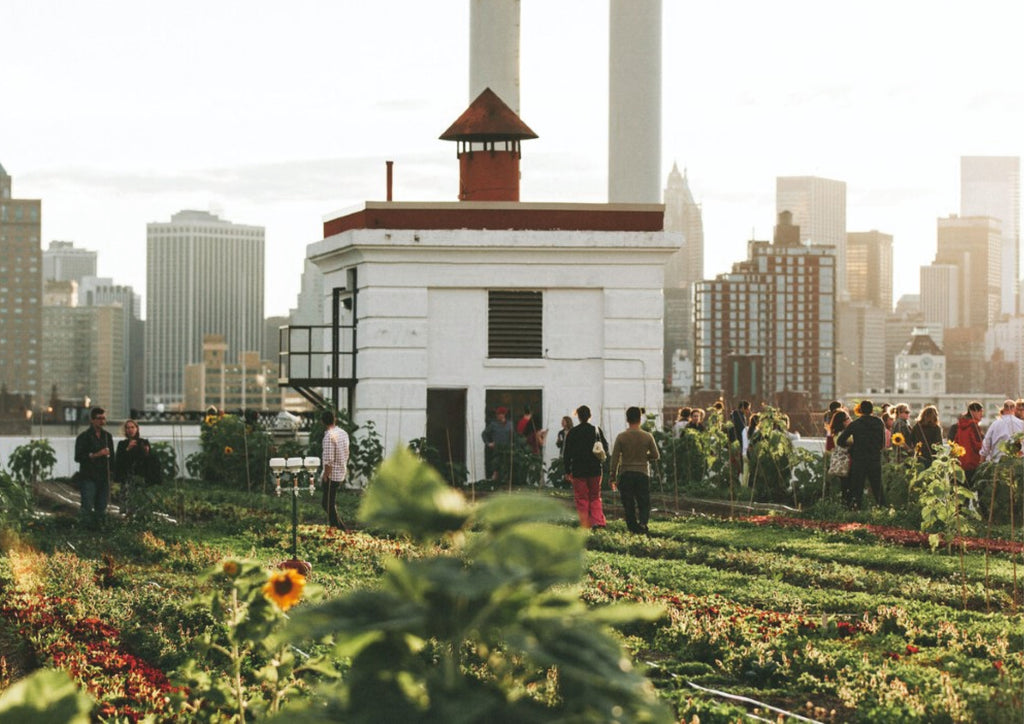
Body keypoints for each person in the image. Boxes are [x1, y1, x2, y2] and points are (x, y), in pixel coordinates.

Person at [609, 406, 660, 535]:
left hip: (626, 472)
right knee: (644, 500)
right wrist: (644, 457)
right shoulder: (647, 436)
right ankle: (643, 523)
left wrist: (612, 476)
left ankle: (632, 527)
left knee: (628, 502)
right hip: (642, 472)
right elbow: (656, 455)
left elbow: (614, 458)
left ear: (627, 419)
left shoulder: (621, 437)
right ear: (640, 418)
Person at [562, 405, 608, 529]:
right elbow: (606, 448)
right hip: (595, 469)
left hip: (578, 470)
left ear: (578, 416)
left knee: (581, 498)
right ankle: (598, 521)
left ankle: (585, 523)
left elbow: (566, 454)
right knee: (595, 496)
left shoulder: (572, 432)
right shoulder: (596, 430)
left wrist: (567, 470)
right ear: (590, 416)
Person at [836, 399, 886, 508]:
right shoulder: (879, 422)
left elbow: (840, 441)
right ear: (872, 410)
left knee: (857, 488)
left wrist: (851, 446)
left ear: (861, 410)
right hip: (874, 458)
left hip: (859, 459)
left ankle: (856, 509)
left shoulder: (855, 424)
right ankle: (882, 508)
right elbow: (883, 443)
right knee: (877, 487)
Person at [74, 406, 115, 527]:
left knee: (101, 507)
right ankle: (85, 531)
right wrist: (96, 455)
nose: (102, 421)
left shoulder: (107, 437)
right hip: (89, 477)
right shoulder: (84, 437)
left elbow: (112, 458)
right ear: (92, 420)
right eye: (99, 418)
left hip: (103, 477)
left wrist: (112, 475)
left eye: (104, 418)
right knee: (87, 506)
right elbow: (78, 457)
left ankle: (99, 531)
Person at [113, 419, 151, 517]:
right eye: (127, 428)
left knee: (140, 503)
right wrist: (127, 449)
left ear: (137, 429)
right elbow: (119, 462)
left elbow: (147, 461)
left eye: (132, 427)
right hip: (126, 478)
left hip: (139, 477)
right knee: (126, 504)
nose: (130, 430)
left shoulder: (143, 442)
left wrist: (146, 452)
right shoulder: (122, 444)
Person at [320, 410, 350, 529]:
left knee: (327, 503)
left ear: (322, 422)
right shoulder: (343, 433)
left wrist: (326, 475)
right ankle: (340, 527)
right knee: (329, 503)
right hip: (341, 471)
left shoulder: (329, 436)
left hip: (332, 475)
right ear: (334, 419)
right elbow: (347, 452)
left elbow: (329, 459)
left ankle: (339, 528)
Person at [951, 401, 985, 485]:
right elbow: (978, 445)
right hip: (973, 463)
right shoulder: (974, 426)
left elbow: (956, 442)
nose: (982, 414)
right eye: (980, 411)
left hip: (961, 463)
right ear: (973, 412)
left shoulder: (959, 426)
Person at [827, 410, 853, 506]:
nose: (850, 420)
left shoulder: (835, 433)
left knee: (844, 486)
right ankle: (847, 506)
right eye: (848, 418)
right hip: (846, 464)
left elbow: (829, 448)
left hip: (839, 465)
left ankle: (844, 505)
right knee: (848, 487)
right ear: (843, 421)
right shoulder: (845, 434)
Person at [482, 406, 515, 481]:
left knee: (507, 468)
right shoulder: (493, 425)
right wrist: (488, 443)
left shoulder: (510, 424)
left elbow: (513, 436)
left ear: (503, 415)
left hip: (507, 450)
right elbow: (484, 434)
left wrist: (513, 444)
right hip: (496, 450)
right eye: (497, 414)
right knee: (496, 468)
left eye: (499, 414)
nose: (497, 416)